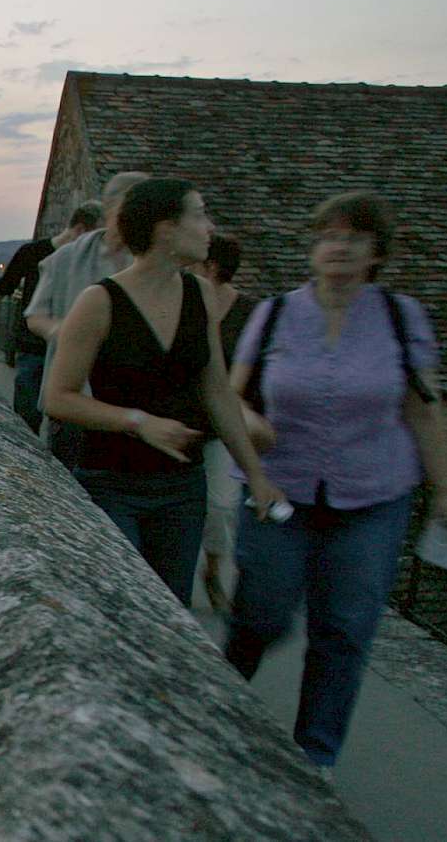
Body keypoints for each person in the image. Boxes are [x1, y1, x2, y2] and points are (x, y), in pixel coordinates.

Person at [222, 191, 447, 769]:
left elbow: (424, 410)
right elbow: (229, 398)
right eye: (329, 236)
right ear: (313, 247)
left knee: (346, 628)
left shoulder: (402, 319)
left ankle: (315, 758)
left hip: (373, 497)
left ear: (375, 253)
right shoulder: (275, 313)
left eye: (354, 238)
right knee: (261, 613)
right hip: (277, 489)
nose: (339, 247)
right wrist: (253, 428)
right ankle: (220, 711)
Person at [42, 177, 286, 605]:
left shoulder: (200, 293)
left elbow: (216, 391)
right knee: (123, 605)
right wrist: (137, 422)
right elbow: (58, 397)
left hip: (181, 488)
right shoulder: (98, 302)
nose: (210, 227)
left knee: (170, 606)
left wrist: (257, 475)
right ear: (165, 229)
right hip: (111, 483)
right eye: (200, 214)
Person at [27, 171, 150, 466]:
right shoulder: (66, 259)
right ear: (111, 208)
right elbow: (36, 316)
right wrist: (68, 333)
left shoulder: (153, 264)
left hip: (131, 403)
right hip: (75, 401)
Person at [0, 201, 103, 432]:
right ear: (80, 230)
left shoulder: (86, 261)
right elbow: (3, 287)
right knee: (27, 419)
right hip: (35, 349)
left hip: (66, 351)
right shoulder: (33, 253)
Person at [190, 233, 258, 614]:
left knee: (219, 505)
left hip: (221, 424)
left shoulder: (249, 313)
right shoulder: (183, 300)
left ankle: (212, 569)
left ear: (211, 267)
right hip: (180, 418)